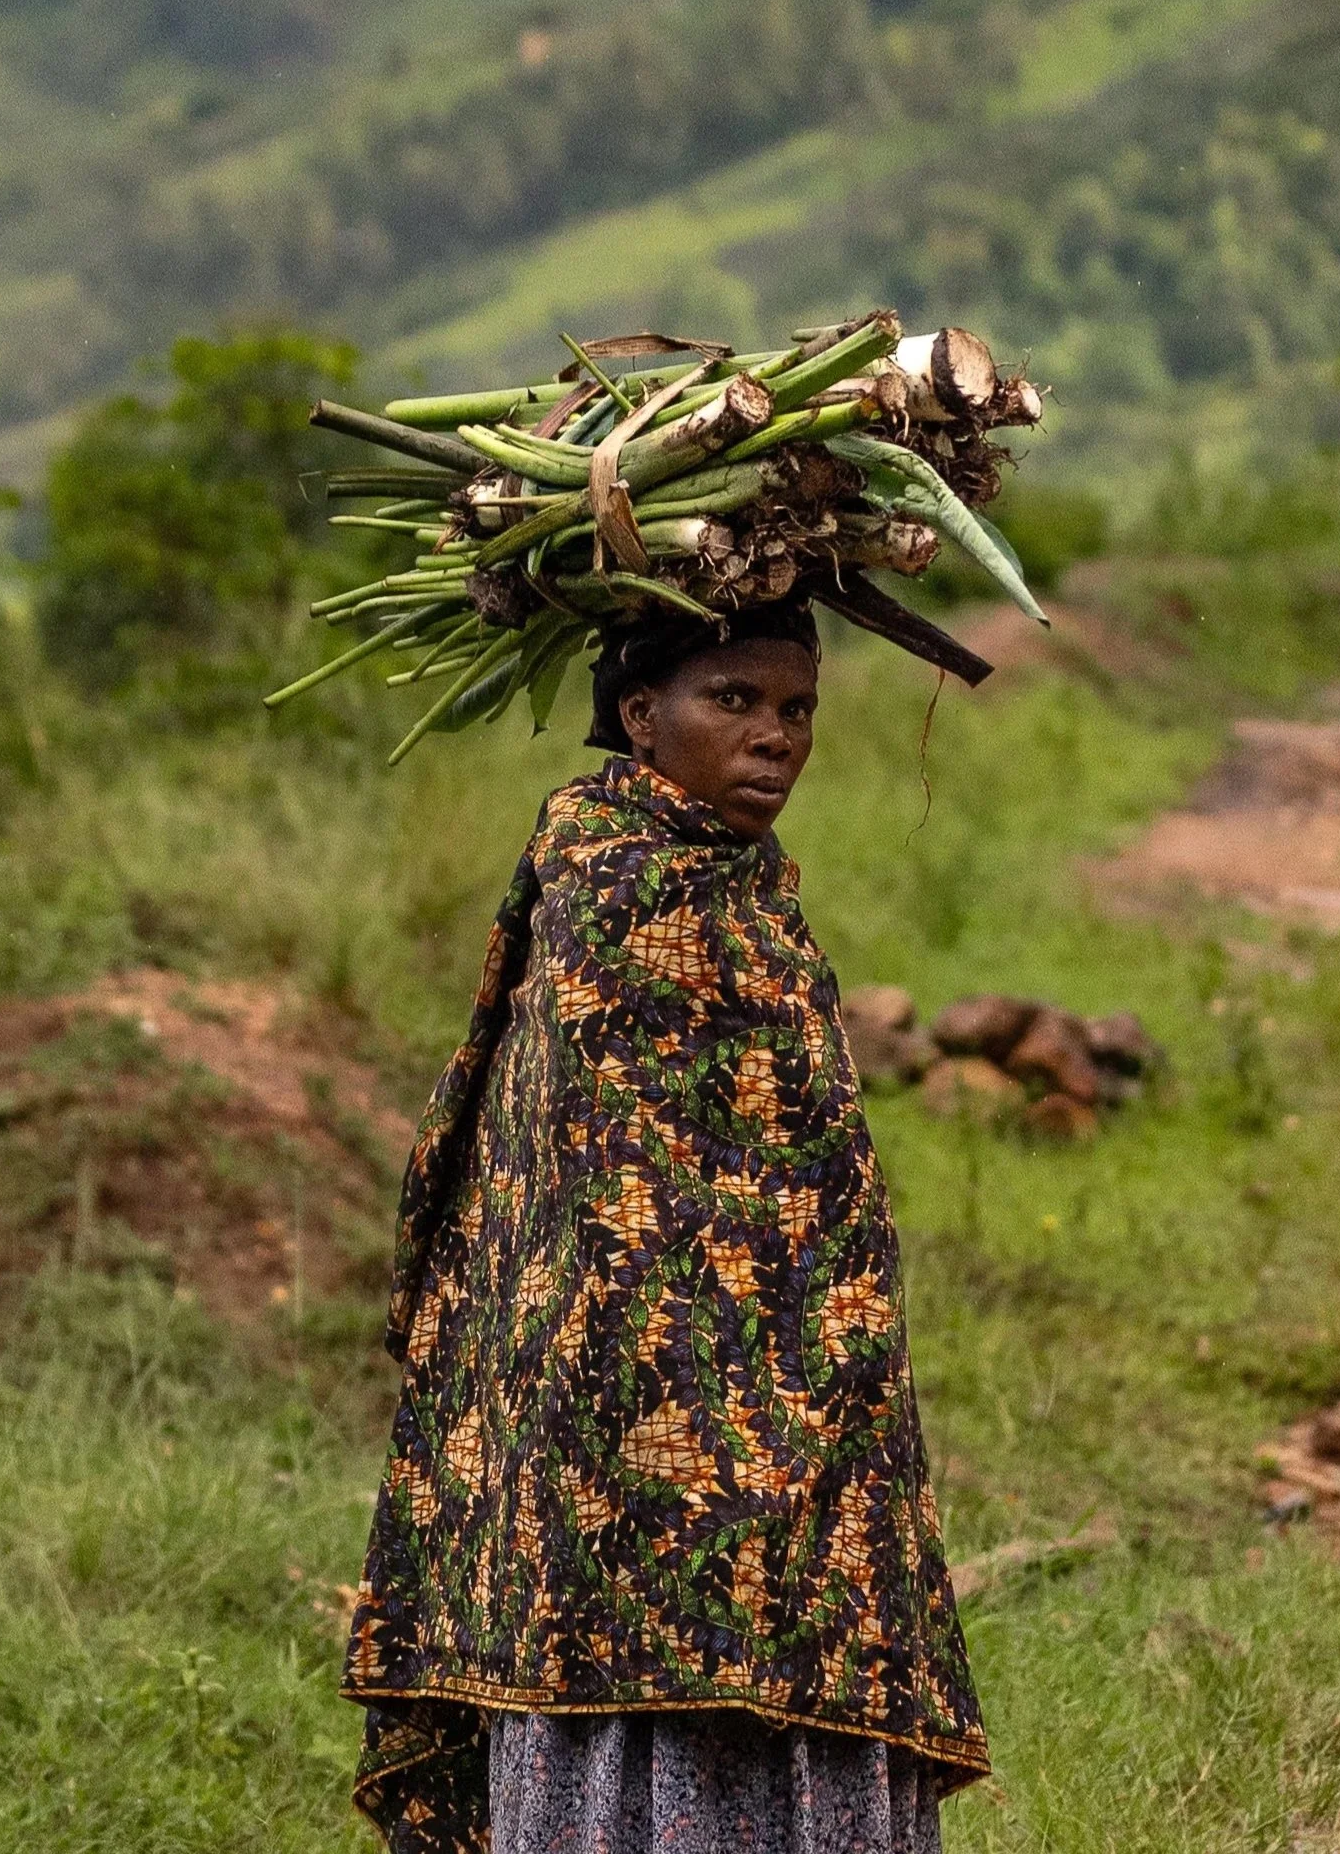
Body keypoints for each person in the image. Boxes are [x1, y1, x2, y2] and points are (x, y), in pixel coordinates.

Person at [341, 599, 988, 1854]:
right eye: (732, 700)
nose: (774, 737)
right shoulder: (611, 888)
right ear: (641, 716)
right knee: (638, 1646)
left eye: (795, 708)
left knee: (792, 1621)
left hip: (806, 1378)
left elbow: (799, 1170)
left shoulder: (755, 890)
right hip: (613, 1405)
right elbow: (584, 1189)